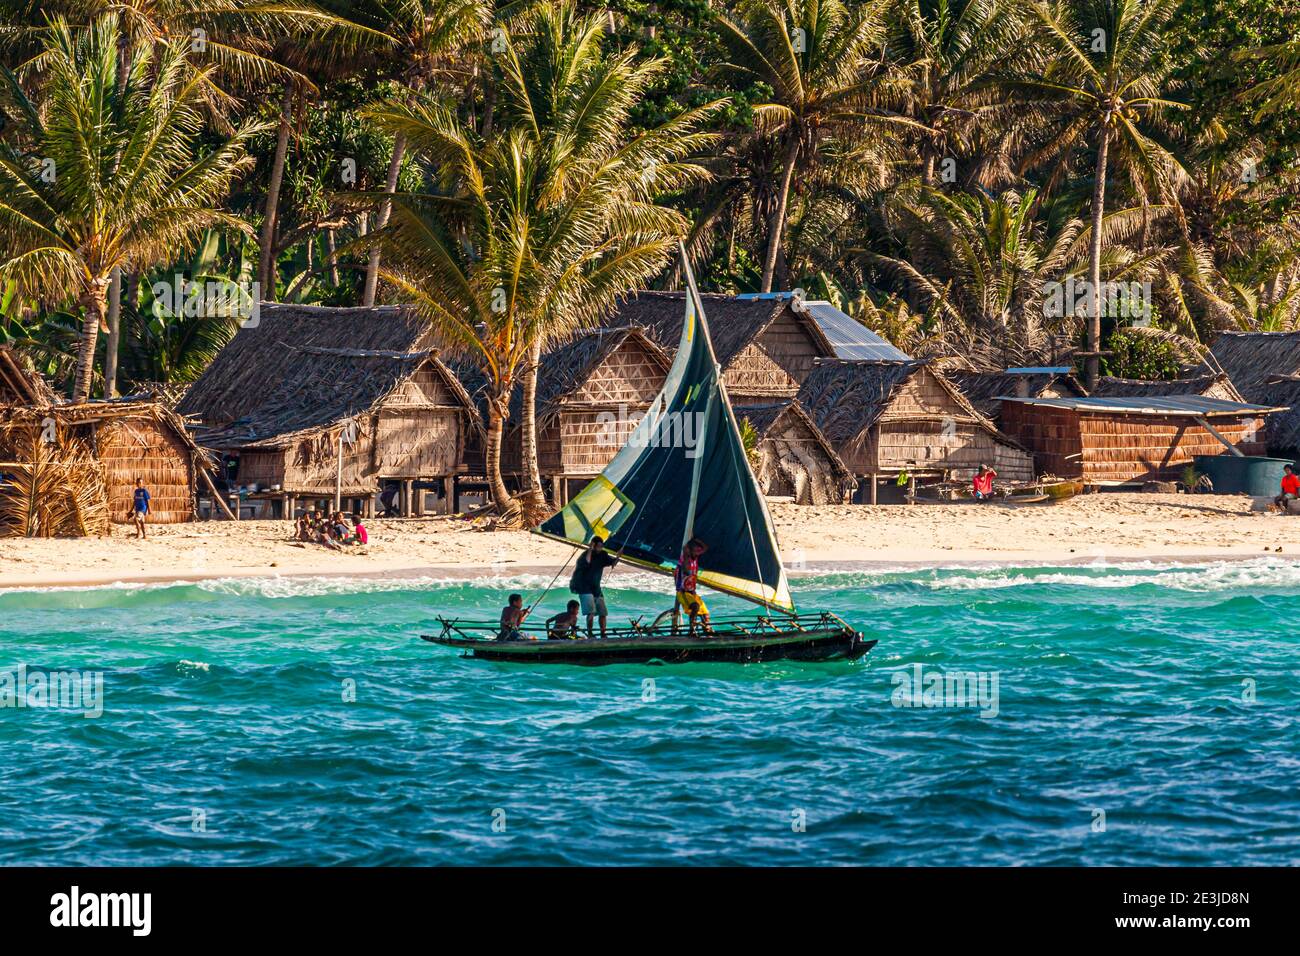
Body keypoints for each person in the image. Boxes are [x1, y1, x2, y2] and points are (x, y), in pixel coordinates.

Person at [569, 535, 619, 638]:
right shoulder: (585, 555)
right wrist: (590, 549)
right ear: (593, 546)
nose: (600, 548)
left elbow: (612, 563)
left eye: (602, 546)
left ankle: (603, 633)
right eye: (598, 546)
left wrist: (618, 556)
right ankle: (590, 633)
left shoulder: (603, 555)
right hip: (584, 588)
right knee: (591, 613)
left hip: (596, 588)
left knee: (603, 613)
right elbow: (587, 562)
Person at [675, 537, 711, 634]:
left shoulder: (695, 558)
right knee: (695, 607)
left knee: (706, 614)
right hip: (683, 593)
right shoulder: (685, 560)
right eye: (695, 551)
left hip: (692, 593)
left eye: (697, 551)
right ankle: (692, 629)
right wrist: (686, 549)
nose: (697, 553)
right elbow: (686, 569)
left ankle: (707, 631)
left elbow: (705, 548)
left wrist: (696, 540)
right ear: (689, 551)